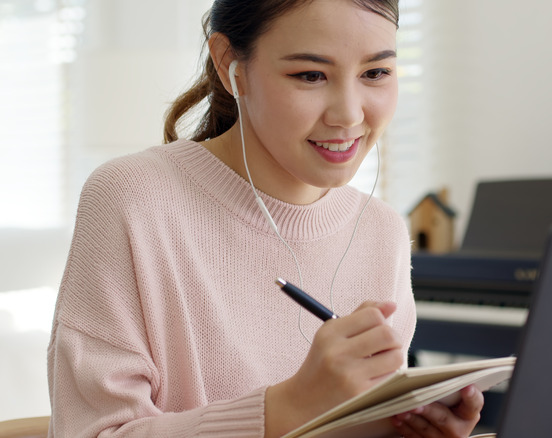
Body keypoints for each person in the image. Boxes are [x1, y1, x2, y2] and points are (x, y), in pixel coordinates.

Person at [46, 0, 486, 436]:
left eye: (375, 73)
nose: (350, 114)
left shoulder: (381, 230)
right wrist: (290, 405)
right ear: (228, 64)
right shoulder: (132, 198)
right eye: (310, 75)